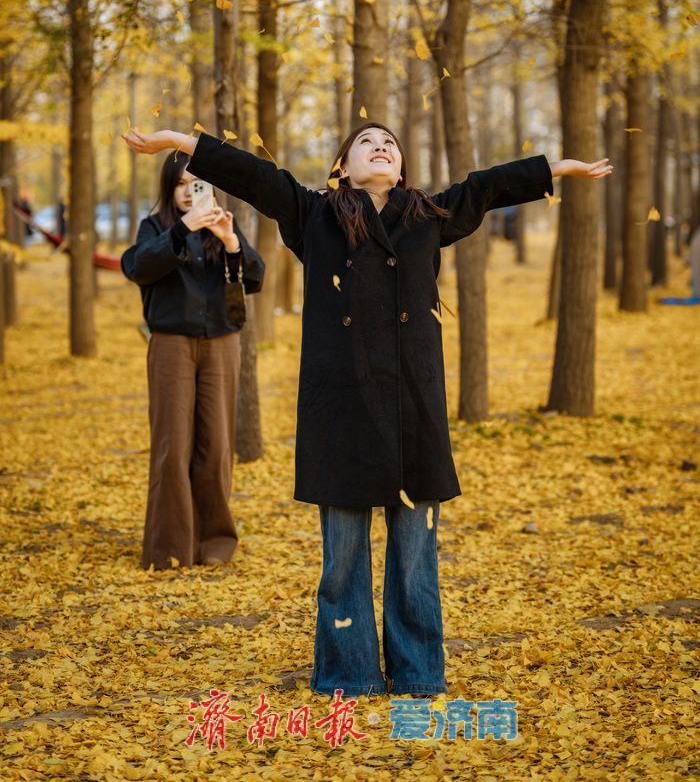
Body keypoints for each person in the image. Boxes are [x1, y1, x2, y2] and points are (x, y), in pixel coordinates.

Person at [124, 122, 612, 696]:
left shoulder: (429, 214)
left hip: (413, 403)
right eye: (365, 142)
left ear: (400, 166)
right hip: (342, 406)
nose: (380, 147)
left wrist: (554, 169)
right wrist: (181, 141)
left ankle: (417, 674)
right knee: (344, 559)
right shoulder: (314, 215)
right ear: (343, 165)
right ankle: (347, 674)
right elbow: (256, 177)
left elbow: (484, 187)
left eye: (390, 144)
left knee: (414, 558)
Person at [120, 150, 265, 571]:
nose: (189, 191)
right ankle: (168, 549)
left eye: (197, 183)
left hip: (221, 344)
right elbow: (137, 266)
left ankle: (215, 543)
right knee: (172, 445)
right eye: (181, 184)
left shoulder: (223, 226)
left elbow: (255, 277)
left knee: (217, 446)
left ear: (211, 186)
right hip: (171, 345)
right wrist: (183, 229)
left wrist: (231, 242)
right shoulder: (156, 226)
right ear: (170, 187)